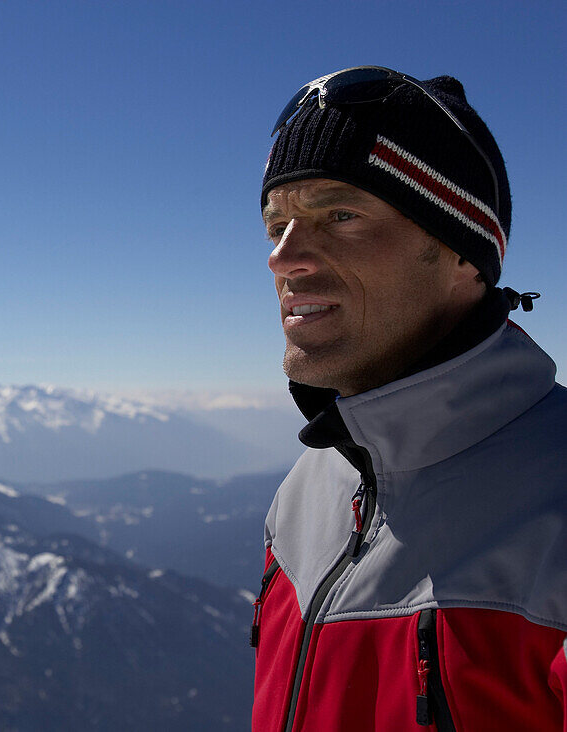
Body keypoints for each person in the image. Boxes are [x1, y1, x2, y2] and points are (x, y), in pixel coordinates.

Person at [250, 66, 566, 731]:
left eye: (339, 214)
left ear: (459, 251)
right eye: (275, 223)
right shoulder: (310, 484)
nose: (284, 257)